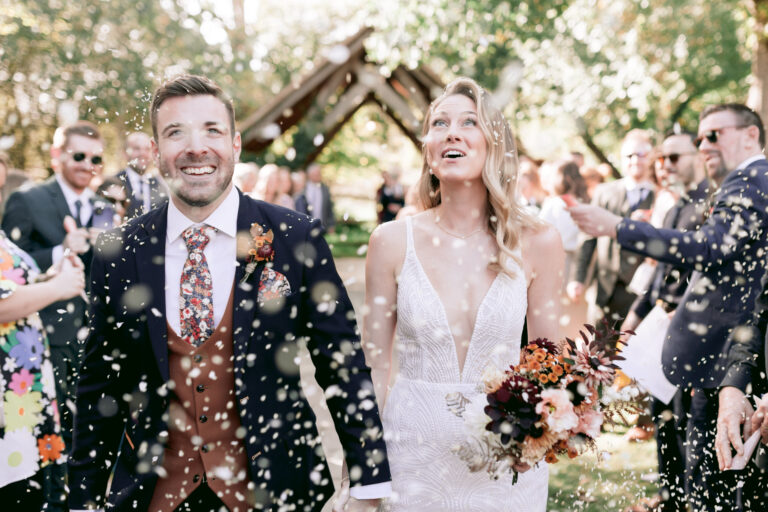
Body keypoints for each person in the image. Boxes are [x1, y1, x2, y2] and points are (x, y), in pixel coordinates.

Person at [68, 74, 390, 512]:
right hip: (155, 495)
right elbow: (99, 388)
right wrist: (81, 500)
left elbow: (343, 364)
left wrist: (369, 486)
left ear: (236, 144)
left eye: (212, 130)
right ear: (157, 152)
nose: (195, 147)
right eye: (175, 132)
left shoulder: (295, 237)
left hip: (275, 490)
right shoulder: (119, 253)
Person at [363, 77, 564, 511]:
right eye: (439, 123)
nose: (451, 132)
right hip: (411, 456)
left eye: (468, 122)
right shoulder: (391, 240)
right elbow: (374, 366)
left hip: (504, 462)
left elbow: (550, 363)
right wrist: (362, 476)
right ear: (428, 148)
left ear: (495, 143)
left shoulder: (539, 242)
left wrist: (540, 429)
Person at [569, 104, 768, 511]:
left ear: (751, 135)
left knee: (710, 480)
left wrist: (617, 228)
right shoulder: (740, 182)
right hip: (721, 359)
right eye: (700, 137)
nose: (704, 144)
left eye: (714, 134)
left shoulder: (753, 178)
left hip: (729, 359)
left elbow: (709, 248)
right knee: (704, 476)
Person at [1, 121, 114, 508]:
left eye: (96, 158)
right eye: (79, 155)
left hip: (94, 338)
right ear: (57, 155)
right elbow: (11, 268)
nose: (88, 164)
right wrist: (59, 250)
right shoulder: (28, 199)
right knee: (49, 443)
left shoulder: (104, 206)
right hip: (42, 344)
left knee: (87, 437)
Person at [620, 132, 709, 512]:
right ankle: (670, 496)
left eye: (674, 157)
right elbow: (660, 275)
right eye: (663, 159)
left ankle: (690, 498)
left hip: (693, 330)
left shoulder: (712, 205)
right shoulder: (675, 209)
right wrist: (632, 319)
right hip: (660, 325)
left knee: (689, 421)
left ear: (699, 156)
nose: (665, 166)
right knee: (663, 416)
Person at [567, 129, 655, 325]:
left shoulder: (660, 195)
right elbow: (587, 239)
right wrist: (577, 279)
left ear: (650, 157)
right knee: (597, 352)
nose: (634, 160)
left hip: (643, 294)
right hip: (605, 291)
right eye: (629, 155)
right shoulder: (604, 192)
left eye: (641, 154)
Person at [116, 131, 168, 218]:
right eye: (136, 149)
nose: (142, 154)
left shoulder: (160, 186)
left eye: (147, 149)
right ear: (124, 153)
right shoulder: (114, 182)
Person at [295, 163, 336, 232]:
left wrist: (331, 225)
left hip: (323, 227)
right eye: (315, 174)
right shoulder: (303, 189)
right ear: (310, 175)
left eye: (319, 173)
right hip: (307, 228)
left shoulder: (325, 189)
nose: (318, 175)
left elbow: (329, 208)